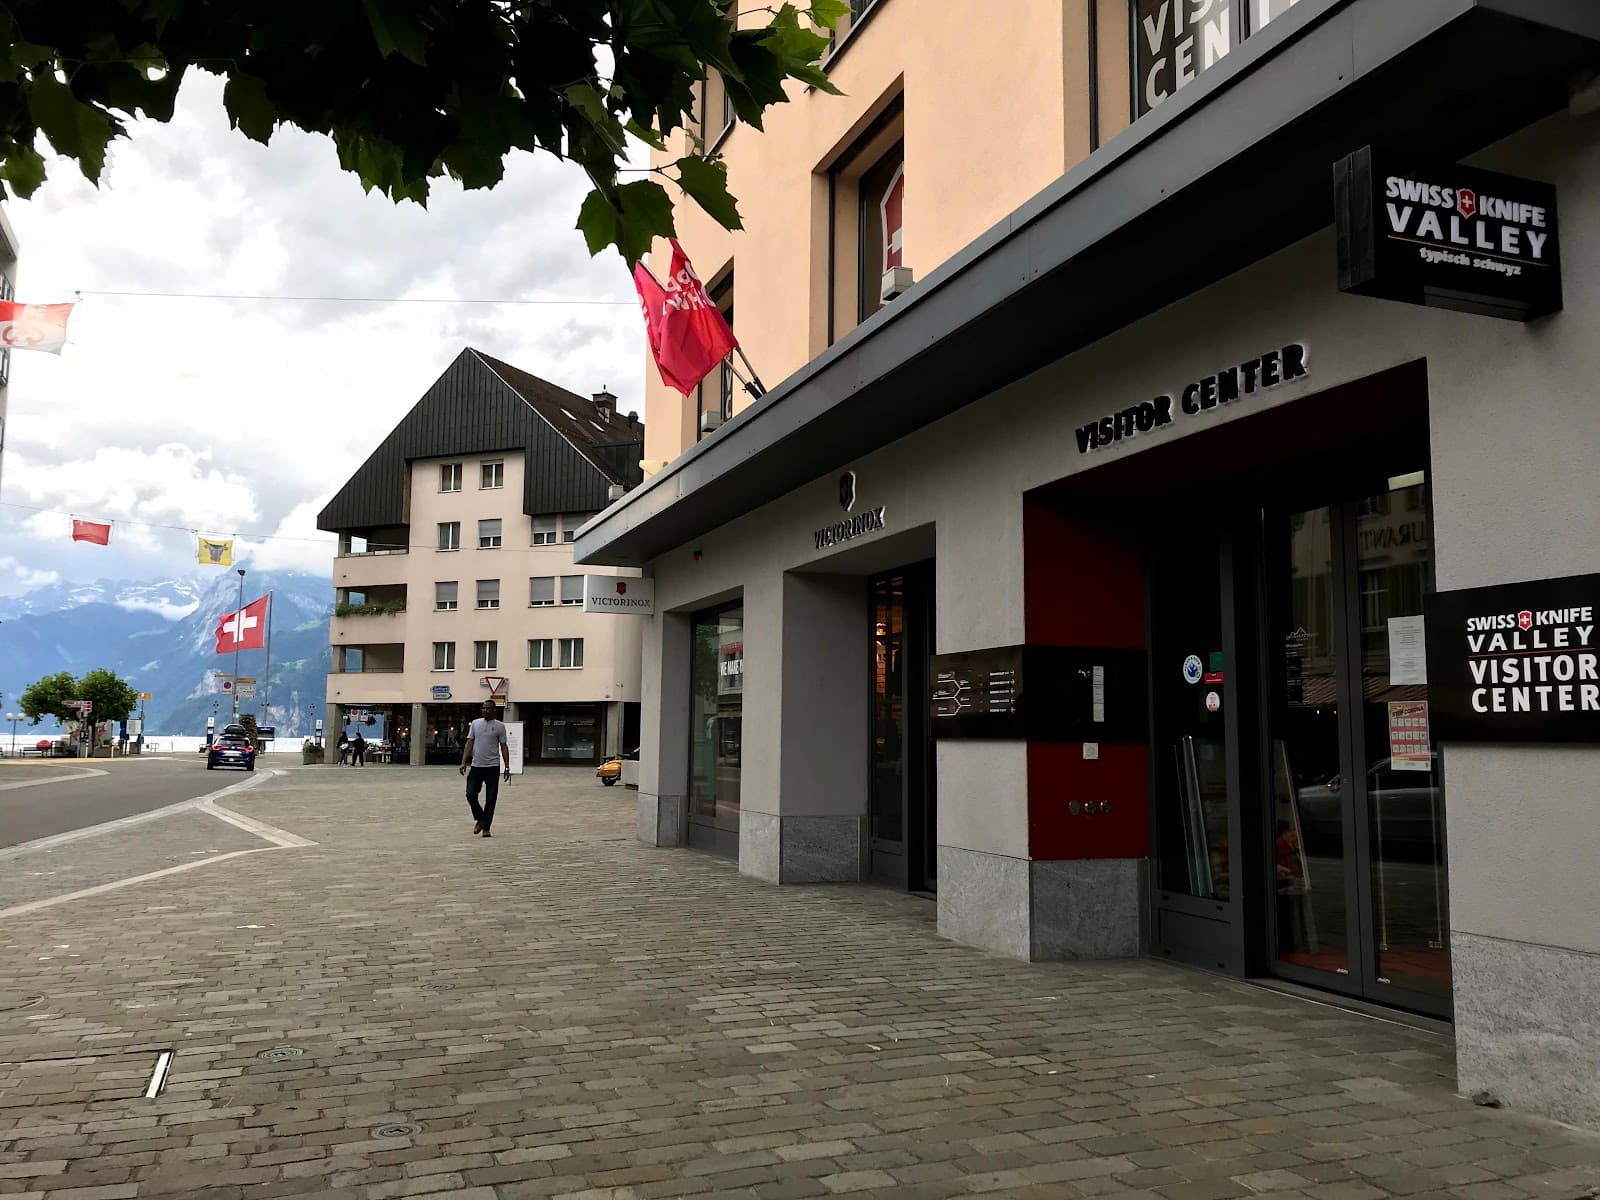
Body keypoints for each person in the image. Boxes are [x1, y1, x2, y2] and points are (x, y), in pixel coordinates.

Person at [459, 699, 511, 837]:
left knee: (491, 798)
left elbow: (504, 747)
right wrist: (464, 762)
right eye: (483, 708)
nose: (485, 711)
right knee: (470, 794)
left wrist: (507, 767)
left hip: (492, 767)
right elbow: (469, 743)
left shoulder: (500, 726)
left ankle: (486, 827)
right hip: (476, 766)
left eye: (488, 708)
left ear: (494, 710)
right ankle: (480, 818)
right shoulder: (475, 724)